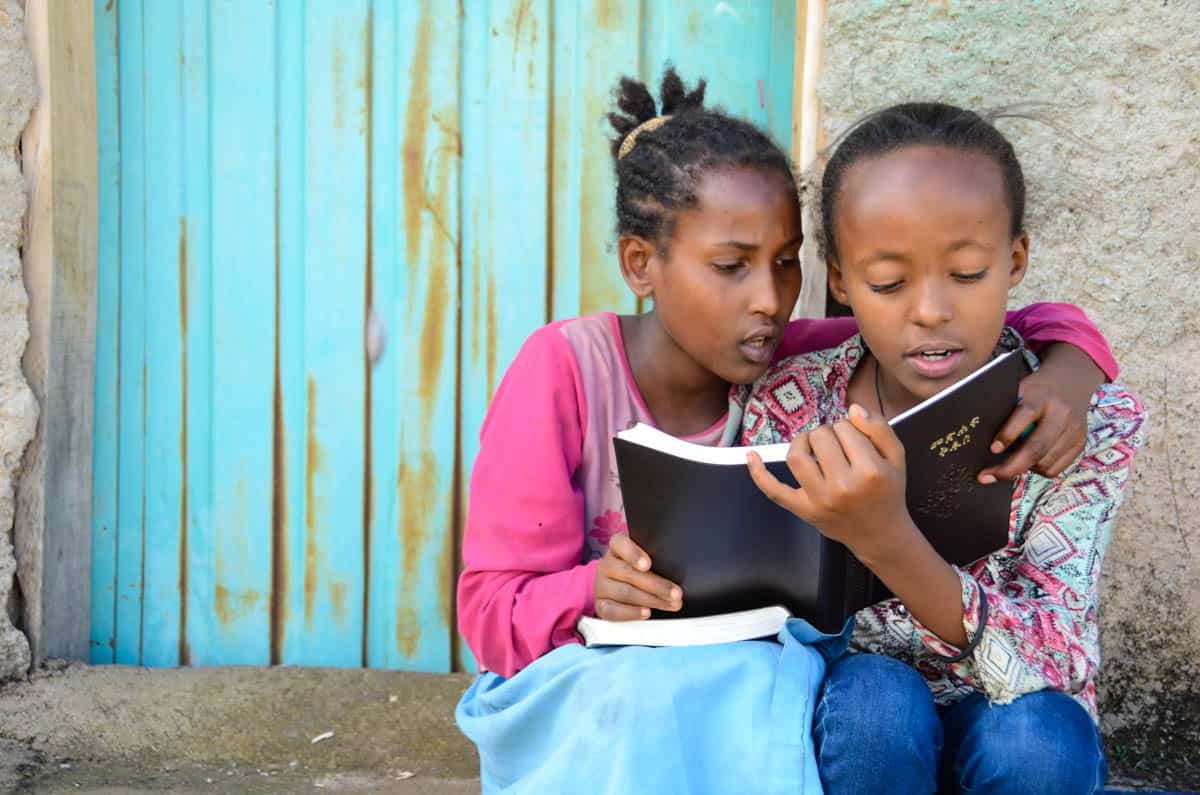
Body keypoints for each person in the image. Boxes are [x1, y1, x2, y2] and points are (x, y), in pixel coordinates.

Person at [456, 69, 1119, 793]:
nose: (768, 298)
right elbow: (486, 606)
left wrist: (1073, 367)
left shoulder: (784, 350)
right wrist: (591, 589)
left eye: (782, 263)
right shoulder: (567, 370)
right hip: (597, 683)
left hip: (731, 689)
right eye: (731, 266)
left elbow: (981, 318)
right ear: (640, 264)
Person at [745, 102, 1145, 794]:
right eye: (889, 283)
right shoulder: (791, 404)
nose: (930, 309)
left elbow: (1056, 658)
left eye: (966, 274)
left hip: (1014, 727)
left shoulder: (1082, 421)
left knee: (1041, 739)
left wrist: (888, 539)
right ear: (840, 280)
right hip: (862, 737)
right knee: (876, 698)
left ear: (1015, 260)